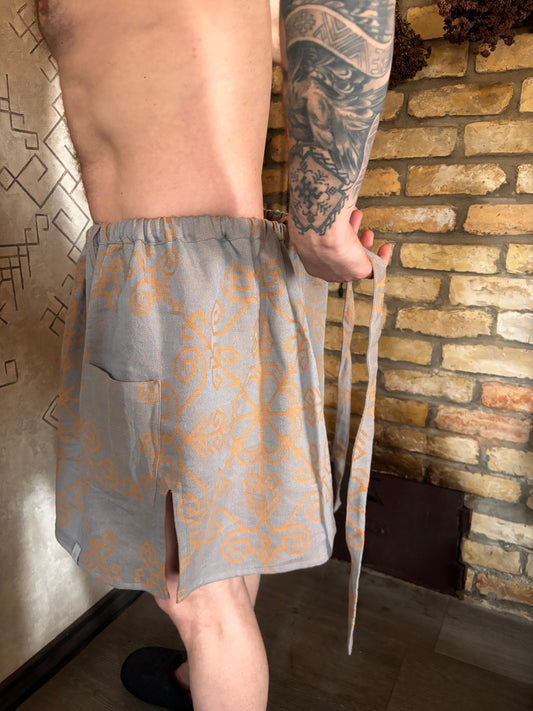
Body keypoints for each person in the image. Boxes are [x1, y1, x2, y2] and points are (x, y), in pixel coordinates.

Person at [38, 0, 394, 709]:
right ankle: (198, 677)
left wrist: (323, 222)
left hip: (173, 281)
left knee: (195, 597)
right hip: (202, 271)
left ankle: (214, 663)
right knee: (220, 553)